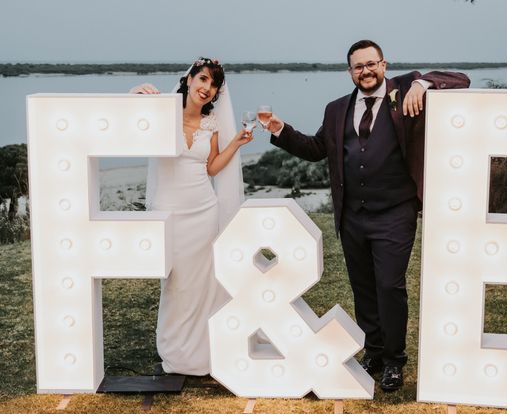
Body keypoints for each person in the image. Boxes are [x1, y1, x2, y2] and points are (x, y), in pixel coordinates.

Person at [266, 40, 470, 391]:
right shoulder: (335, 110)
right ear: (350, 72)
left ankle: (394, 360)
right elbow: (317, 150)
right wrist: (281, 131)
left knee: (390, 286)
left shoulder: (407, 92)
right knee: (364, 290)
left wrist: (423, 84)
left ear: (384, 64)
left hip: (395, 212)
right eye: (358, 66)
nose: (366, 71)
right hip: (352, 217)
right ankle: (373, 351)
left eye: (371, 64)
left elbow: (460, 79)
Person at [130, 58, 251, 375]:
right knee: (176, 283)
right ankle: (177, 351)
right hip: (170, 212)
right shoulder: (162, 114)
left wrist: (236, 141)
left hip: (203, 211)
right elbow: (131, 125)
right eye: (202, 79)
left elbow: (210, 167)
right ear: (188, 79)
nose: (206, 88)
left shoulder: (211, 126)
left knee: (202, 284)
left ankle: (205, 350)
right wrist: (134, 94)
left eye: (212, 85)